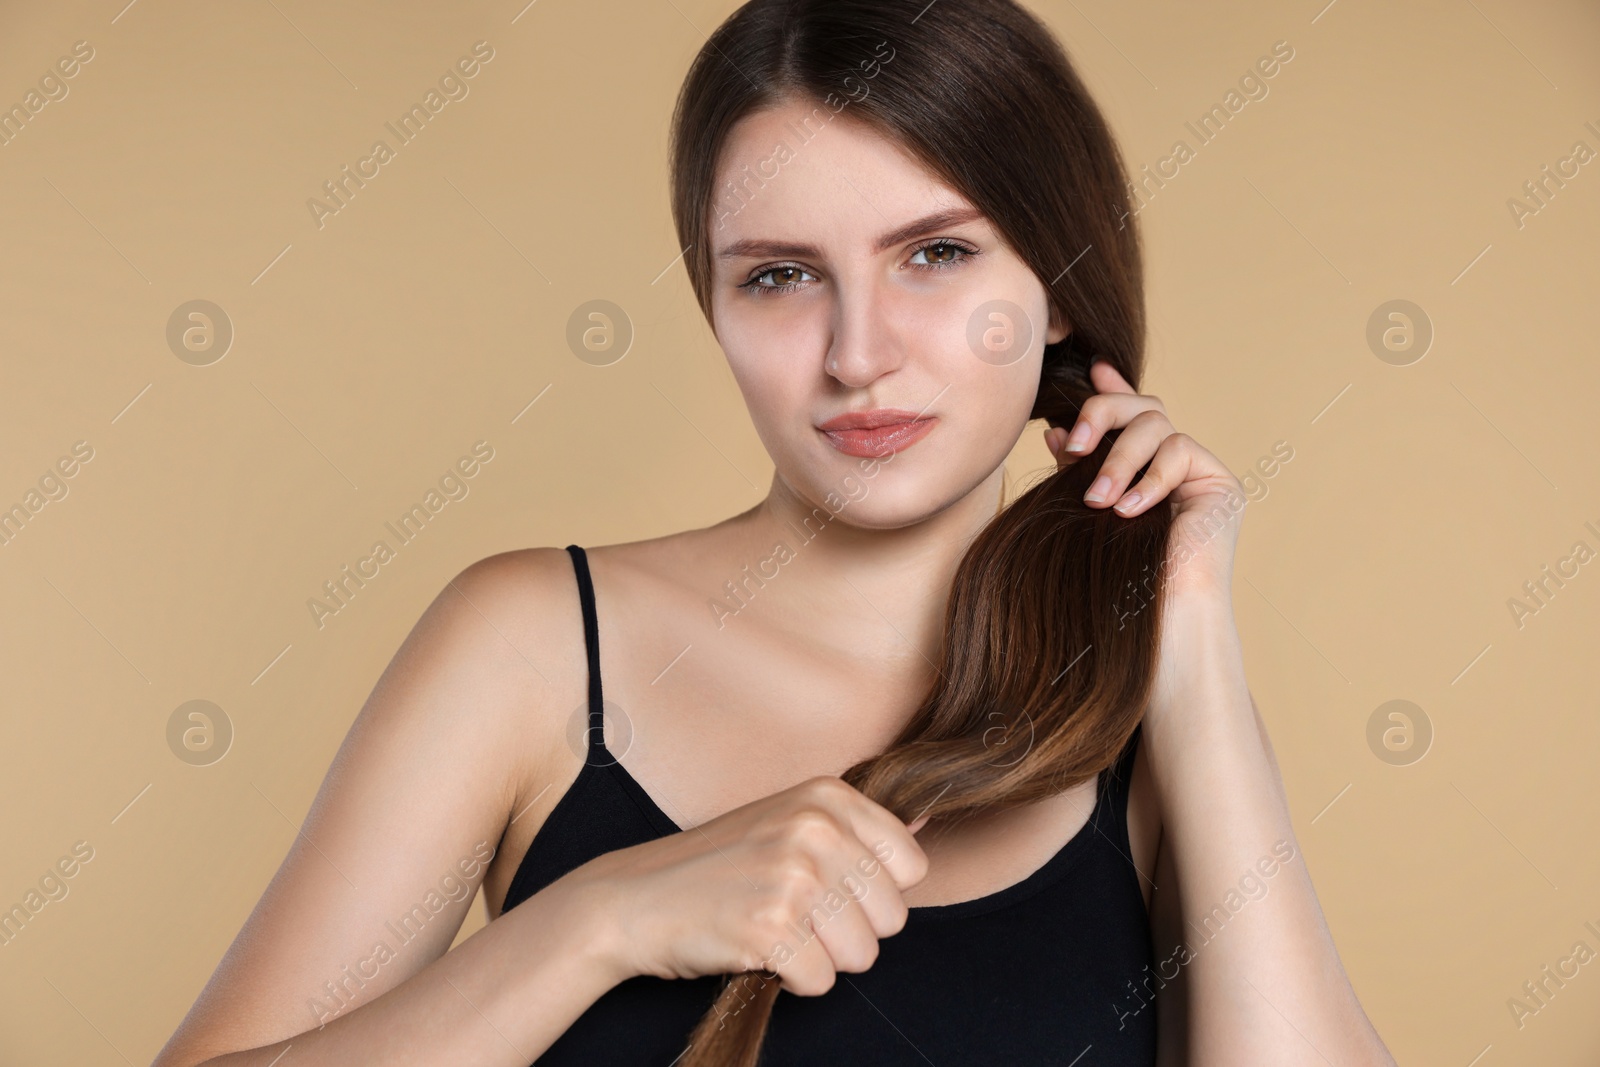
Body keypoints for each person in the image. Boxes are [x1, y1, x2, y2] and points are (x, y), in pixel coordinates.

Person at [153, 0, 1395, 1063]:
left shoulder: (1142, 709)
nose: (858, 355)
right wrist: (597, 919)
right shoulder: (532, 645)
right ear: (712, 300)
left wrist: (1182, 627)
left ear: (1058, 292)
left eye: (938, 254)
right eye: (779, 275)